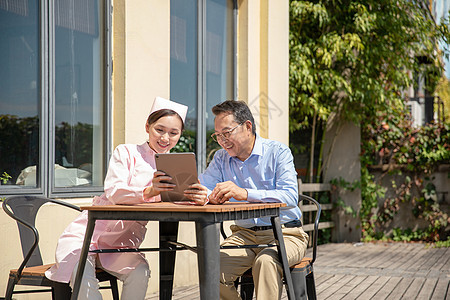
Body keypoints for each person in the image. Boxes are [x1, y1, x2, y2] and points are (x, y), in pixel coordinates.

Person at [45, 97, 207, 300]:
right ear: (147, 126)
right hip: (85, 236)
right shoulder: (126, 152)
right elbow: (114, 191)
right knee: (81, 274)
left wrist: (201, 198)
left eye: (174, 133)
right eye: (160, 129)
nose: (166, 138)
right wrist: (149, 192)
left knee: (140, 272)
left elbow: (183, 199)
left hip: (119, 245)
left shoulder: (176, 166)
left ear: (181, 134)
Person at [199, 100, 309, 300]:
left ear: (247, 126)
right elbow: (203, 186)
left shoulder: (278, 152)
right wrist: (204, 195)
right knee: (210, 266)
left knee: (266, 261)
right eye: (218, 135)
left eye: (227, 133)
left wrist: (245, 193)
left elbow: (290, 196)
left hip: (286, 233)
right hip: (244, 236)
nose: (222, 141)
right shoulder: (221, 158)